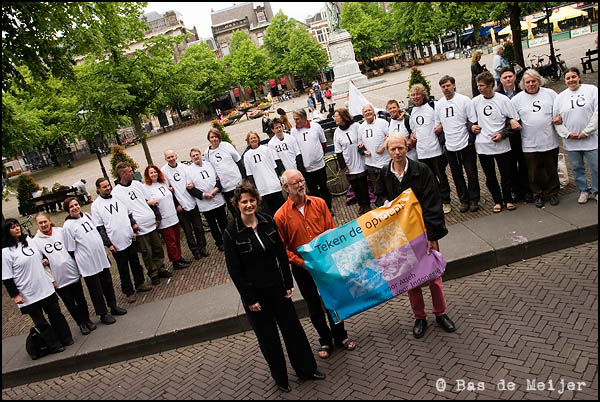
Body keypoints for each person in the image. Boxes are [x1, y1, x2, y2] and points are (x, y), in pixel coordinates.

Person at [223, 183, 325, 393]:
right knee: (269, 338)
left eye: (252, 200)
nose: (249, 205)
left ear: (257, 201)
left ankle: (306, 369)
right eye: (244, 202)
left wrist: (287, 282)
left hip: (277, 288)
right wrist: (250, 298)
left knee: (293, 330)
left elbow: (281, 252)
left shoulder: (268, 221)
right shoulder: (231, 232)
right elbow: (235, 270)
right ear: (237, 204)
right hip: (256, 294)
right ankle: (281, 379)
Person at [374, 133, 456, 339]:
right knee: (411, 278)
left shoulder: (422, 170)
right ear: (388, 151)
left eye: (400, 148)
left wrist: (432, 235)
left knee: (434, 276)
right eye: (392, 149)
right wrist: (383, 203)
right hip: (401, 236)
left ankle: (441, 313)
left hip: (423, 231)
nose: (397, 152)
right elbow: (379, 196)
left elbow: (432, 204)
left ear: (406, 147)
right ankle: (419, 316)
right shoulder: (384, 173)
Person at [274, 169, 356, 359]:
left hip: (326, 265)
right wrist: (301, 263)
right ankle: (325, 340)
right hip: (302, 269)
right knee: (314, 306)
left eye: (302, 180)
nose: (301, 185)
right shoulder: (280, 216)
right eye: (296, 183)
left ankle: (340, 336)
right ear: (286, 187)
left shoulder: (319, 203)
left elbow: (332, 233)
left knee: (333, 301)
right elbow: (282, 249)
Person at [3, 218, 73, 352]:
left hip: (44, 287)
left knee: (56, 314)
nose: (17, 228)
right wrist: (15, 296)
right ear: (7, 232)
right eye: (13, 227)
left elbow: (40, 255)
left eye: (17, 226)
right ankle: (54, 344)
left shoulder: (28, 241)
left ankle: (65, 338)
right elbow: (7, 277)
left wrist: (44, 260)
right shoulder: (6, 253)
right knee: (40, 321)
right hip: (28, 292)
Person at [62, 197, 127, 325]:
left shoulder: (87, 216)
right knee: (95, 289)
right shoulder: (68, 226)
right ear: (67, 210)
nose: (75, 208)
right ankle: (103, 313)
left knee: (107, 282)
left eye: (76, 205)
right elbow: (70, 249)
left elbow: (96, 235)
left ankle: (113, 306)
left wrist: (104, 254)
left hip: (100, 257)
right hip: (87, 262)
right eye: (71, 207)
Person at [32, 212, 96, 335]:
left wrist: (79, 267)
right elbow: (41, 264)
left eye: (45, 221)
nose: (44, 224)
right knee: (70, 303)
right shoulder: (36, 242)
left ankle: (87, 319)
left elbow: (72, 248)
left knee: (81, 299)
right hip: (59, 278)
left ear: (49, 221)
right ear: (37, 225)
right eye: (40, 223)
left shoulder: (60, 231)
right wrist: (52, 280)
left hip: (72, 272)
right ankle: (80, 323)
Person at [91, 177, 152, 303]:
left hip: (128, 237)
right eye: (104, 187)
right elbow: (100, 227)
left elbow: (128, 214)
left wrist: (133, 229)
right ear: (98, 189)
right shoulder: (96, 206)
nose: (108, 188)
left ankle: (140, 283)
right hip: (116, 242)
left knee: (135, 263)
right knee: (123, 268)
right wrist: (108, 244)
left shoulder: (118, 197)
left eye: (108, 185)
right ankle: (128, 291)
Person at [112, 162, 171, 286]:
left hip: (150, 222)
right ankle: (153, 273)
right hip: (139, 227)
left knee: (157, 248)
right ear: (122, 174)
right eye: (129, 171)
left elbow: (149, 200)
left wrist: (157, 215)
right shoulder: (116, 192)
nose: (132, 173)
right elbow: (123, 212)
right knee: (147, 252)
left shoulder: (138, 184)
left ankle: (161, 268)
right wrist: (132, 224)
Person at [472, 71, 521, 213]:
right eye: (478, 85)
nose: (479, 88)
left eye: (481, 85)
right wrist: (472, 126)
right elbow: (470, 120)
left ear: (490, 85)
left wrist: (502, 134)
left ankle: (508, 199)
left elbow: (514, 121)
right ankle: (497, 200)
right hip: (483, 145)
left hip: (502, 145)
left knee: (506, 173)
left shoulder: (503, 100)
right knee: (490, 175)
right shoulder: (475, 102)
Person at [511, 69, 561, 208]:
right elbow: (511, 116)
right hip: (529, 142)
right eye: (528, 82)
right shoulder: (517, 99)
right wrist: (512, 121)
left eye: (534, 81)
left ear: (539, 81)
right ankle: (537, 194)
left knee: (551, 168)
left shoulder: (550, 94)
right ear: (523, 84)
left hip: (549, 140)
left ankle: (553, 193)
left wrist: (559, 117)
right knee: (533, 171)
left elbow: (560, 110)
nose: (531, 84)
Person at [401, 85, 452, 214]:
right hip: (422, 152)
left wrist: (440, 127)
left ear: (423, 95)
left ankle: (446, 201)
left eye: (418, 94)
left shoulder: (433, 106)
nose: (415, 97)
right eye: (413, 95)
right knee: (430, 179)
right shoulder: (411, 112)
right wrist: (412, 136)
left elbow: (442, 120)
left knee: (441, 176)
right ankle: (436, 201)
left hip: (435, 150)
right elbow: (412, 129)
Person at [434, 75, 480, 213]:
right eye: (443, 86)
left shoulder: (464, 100)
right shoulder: (439, 104)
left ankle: (474, 199)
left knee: (471, 173)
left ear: (453, 85)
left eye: (448, 85)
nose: (446, 89)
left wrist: (471, 140)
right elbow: (438, 125)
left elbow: (472, 120)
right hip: (450, 146)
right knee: (457, 175)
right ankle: (464, 200)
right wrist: (443, 140)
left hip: (465, 143)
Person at [553, 67, 598, 204]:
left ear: (579, 77)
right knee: (577, 167)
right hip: (572, 141)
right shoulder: (560, 97)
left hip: (591, 139)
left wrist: (586, 131)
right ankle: (583, 190)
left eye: (573, 77)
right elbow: (556, 119)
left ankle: (596, 191)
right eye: (568, 78)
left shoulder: (591, 90)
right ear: (565, 80)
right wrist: (567, 134)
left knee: (595, 166)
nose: (571, 80)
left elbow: (597, 112)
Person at [162, 150, 209, 260]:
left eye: (172, 156)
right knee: (188, 231)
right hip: (180, 206)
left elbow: (191, 182)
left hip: (192, 202)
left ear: (176, 156)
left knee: (199, 227)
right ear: (165, 159)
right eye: (168, 157)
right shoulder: (164, 171)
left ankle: (202, 248)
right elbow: (167, 191)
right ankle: (195, 251)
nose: (171, 159)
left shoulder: (184, 167)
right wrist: (176, 204)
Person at [143, 165, 191, 271]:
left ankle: (179, 257)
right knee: (171, 241)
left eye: (155, 172)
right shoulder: (146, 188)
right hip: (164, 219)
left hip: (173, 215)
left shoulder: (162, 183)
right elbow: (144, 202)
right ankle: (175, 261)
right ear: (147, 175)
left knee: (177, 238)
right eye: (151, 173)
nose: (154, 174)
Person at [496, 66, 533, 203]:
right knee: (510, 166)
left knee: (523, 163)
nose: (508, 79)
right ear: (500, 80)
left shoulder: (523, 91)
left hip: (522, 134)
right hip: (507, 137)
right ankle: (515, 191)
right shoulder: (497, 95)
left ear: (515, 77)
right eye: (505, 77)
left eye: (510, 76)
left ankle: (527, 190)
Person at [290, 108, 333, 213]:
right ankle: (318, 210)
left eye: (297, 119)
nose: (295, 122)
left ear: (304, 118)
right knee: (313, 192)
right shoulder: (293, 131)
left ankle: (328, 208)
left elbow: (323, 143)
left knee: (324, 188)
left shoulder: (316, 127)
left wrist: (318, 156)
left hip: (319, 166)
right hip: (306, 169)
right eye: (294, 119)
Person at [186, 148, 228, 252]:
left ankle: (228, 240)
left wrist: (216, 190)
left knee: (223, 222)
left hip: (217, 198)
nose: (196, 157)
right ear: (191, 158)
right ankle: (219, 243)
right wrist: (204, 195)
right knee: (212, 225)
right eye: (193, 156)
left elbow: (219, 179)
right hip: (205, 203)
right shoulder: (189, 170)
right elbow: (190, 189)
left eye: (197, 154)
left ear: (201, 155)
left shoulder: (209, 165)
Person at [333, 107, 371, 215]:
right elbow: (338, 152)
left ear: (343, 116)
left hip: (359, 159)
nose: (335, 118)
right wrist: (343, 167)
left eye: (336, 116)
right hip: (348, 162)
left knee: (363, 184)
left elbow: (362, 141)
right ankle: (361, 204)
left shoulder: (356, 126)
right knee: (355, 186)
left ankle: (367, 204)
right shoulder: (337, 132)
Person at [243, 132, 286, 216]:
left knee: (282, 210)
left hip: (274, 185)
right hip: (262, 189)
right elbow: (249, 175)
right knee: (269, 213)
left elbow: (275, 166)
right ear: (248, 141)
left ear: (258, 138)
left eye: (255, 137)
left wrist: (279, 180)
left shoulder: (266, 149)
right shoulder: (247, 155)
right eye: (251, 138)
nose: (253, 140)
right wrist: (254, 189)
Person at [204, 128, 245, 216]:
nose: (214, 139)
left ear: (219, 137)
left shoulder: (227, 145)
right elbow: (209, 168)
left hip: (237, 182)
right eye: (212, 137)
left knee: (243, 206)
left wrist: (244, 177)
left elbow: (238, 160)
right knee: (233, 210)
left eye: (216, 136)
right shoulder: (207, 153)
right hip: (224, 186)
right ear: (209, 139)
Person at [358, 103, 391, 191]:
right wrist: (364, 151)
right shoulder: (361, 127)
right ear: (363, 114)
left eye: (369, 110)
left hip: (385, 162)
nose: (368, 112)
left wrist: (383, 147)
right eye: (365, 111)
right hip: (371, 163)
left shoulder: (382, 122)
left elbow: (391, 137)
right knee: (377, 188)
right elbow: (360, 145)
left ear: (373, 112)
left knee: (389, 186)